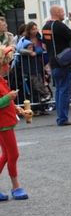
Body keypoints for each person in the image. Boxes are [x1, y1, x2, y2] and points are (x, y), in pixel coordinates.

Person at [0, 46, 31, 201]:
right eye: (7, 63)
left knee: (7, 155)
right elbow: (2, 101)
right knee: (12, 154)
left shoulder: (2, 81)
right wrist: (9, 98)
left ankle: (16, 186)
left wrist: (17, 109)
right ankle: (16, 186)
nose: (9, 66)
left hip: (5, 122)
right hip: (3, 124)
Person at [42, 5, 71, 126]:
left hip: (53, 62)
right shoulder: (59, 26)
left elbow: (44, 45)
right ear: (57, 13)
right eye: (63, 12)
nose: (64, 14)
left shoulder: (45, 26)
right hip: (63, 62)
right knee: (64, 90)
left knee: (59, 90)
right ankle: (63, 119)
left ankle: (60, 117)